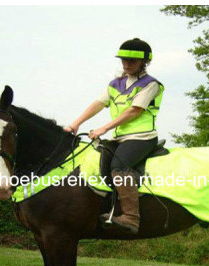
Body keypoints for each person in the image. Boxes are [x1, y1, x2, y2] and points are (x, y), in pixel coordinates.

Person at [64, 38, 164, 234]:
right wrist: (76, 123)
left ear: (144, 62)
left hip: (142, 137)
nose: (126, 64)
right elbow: (99, 104)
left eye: (131, 61)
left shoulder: (151, 84)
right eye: (123, 60)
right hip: (120, 138)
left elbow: (134, 111)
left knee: (119, 167)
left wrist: (104, 128)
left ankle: (131, 218)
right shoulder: (115, 84)